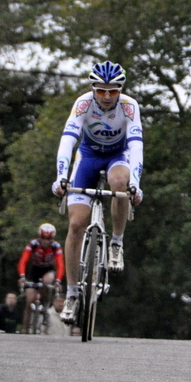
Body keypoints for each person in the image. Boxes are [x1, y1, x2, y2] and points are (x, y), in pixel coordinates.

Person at [52, 61, 144, 324]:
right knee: (76, 224)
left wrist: (135, 182)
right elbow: (68, 140)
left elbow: (136, 147)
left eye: (113, 91)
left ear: (120, 90)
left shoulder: (129, 106)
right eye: (101, 90)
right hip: (88, 157)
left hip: (118, 155)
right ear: (93, 88)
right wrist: (61, 176)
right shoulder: (83, 103)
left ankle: (116, 242)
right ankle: (71, 294)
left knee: (119, 184)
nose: (106, 96)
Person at [17, 223, 65, 334]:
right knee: (29, 300)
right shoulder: (33, 244)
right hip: (34, 270)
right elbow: (23, 261)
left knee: (47, 280)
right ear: (39, 237)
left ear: (52, 239)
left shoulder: (56, 246)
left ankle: (46, 304)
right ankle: (25, 328)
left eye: (49, 239)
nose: (45, 241)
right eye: (43, 238)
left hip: (48, 270)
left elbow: (60, 265)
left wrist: (58, 280)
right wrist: (22, 276)